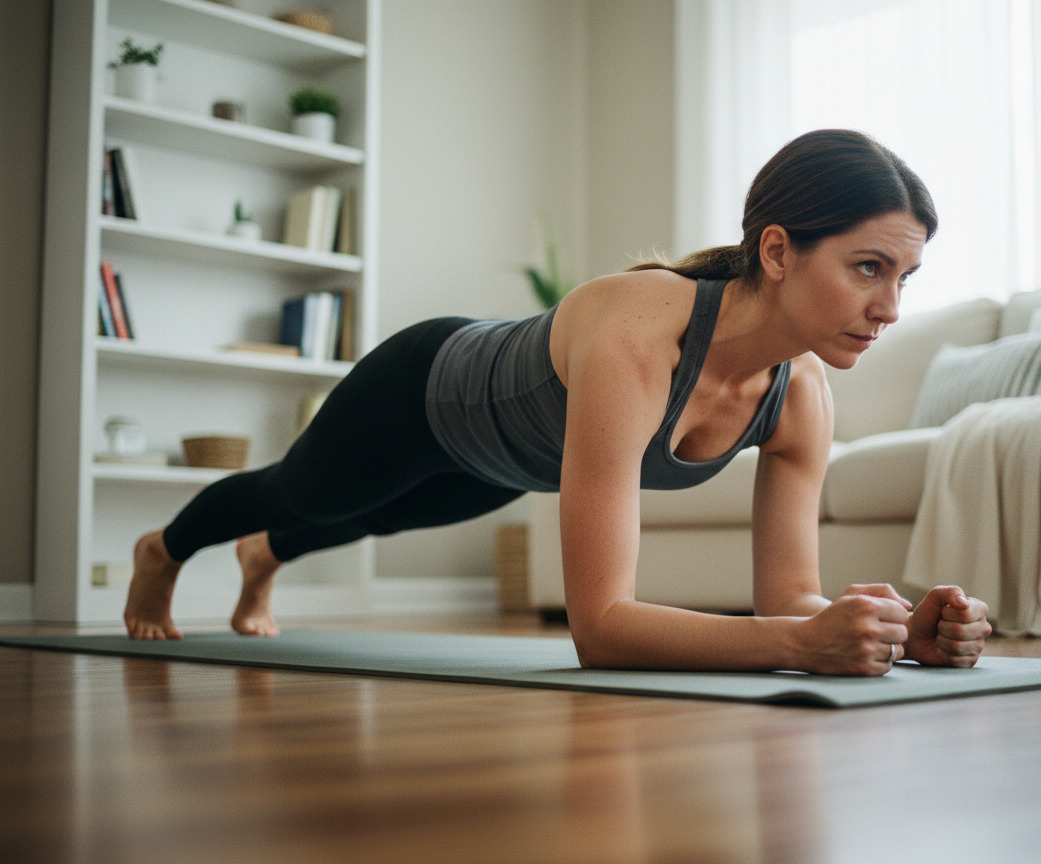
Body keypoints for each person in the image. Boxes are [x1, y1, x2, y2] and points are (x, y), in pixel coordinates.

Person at [125, 129, 992, 675]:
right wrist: (802, 646)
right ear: (777, 251)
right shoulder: (639, 333)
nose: (889, 310)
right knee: (305, 493)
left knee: (378, 516)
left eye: (904, 279)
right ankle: (166, 550)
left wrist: (890, 632)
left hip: (510, 457)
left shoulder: (800, 397)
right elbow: (601, 630)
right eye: (868, 269)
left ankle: (263, 559)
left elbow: (790, 596)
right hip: (423, 389)